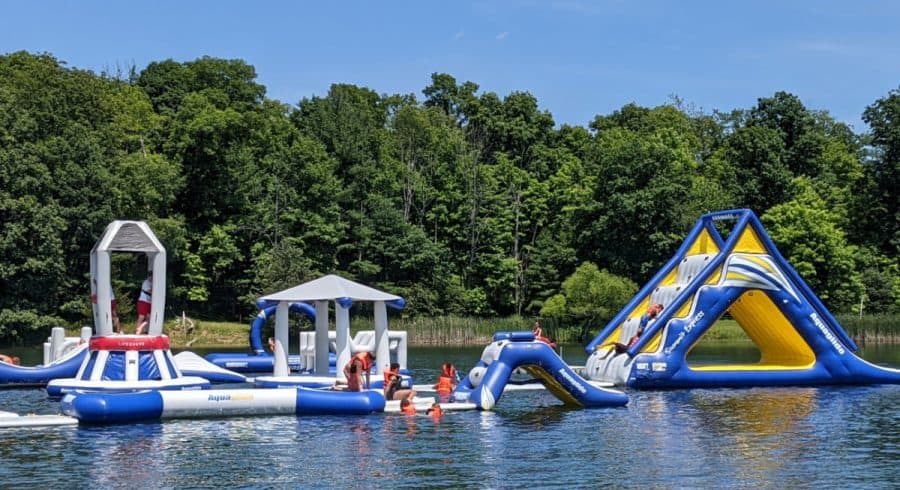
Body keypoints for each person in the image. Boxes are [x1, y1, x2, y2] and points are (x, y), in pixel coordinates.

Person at [597, 304, 663, 360]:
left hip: (644, 318)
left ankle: (604, 355)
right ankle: (602, 349)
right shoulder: (657, 308)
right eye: (661, 310)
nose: (660, 311)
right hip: (644, 319)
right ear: (660, 308)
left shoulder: (653, 307)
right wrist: (657, 318)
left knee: (614, 345)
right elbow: (656, 314)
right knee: (639, 331)